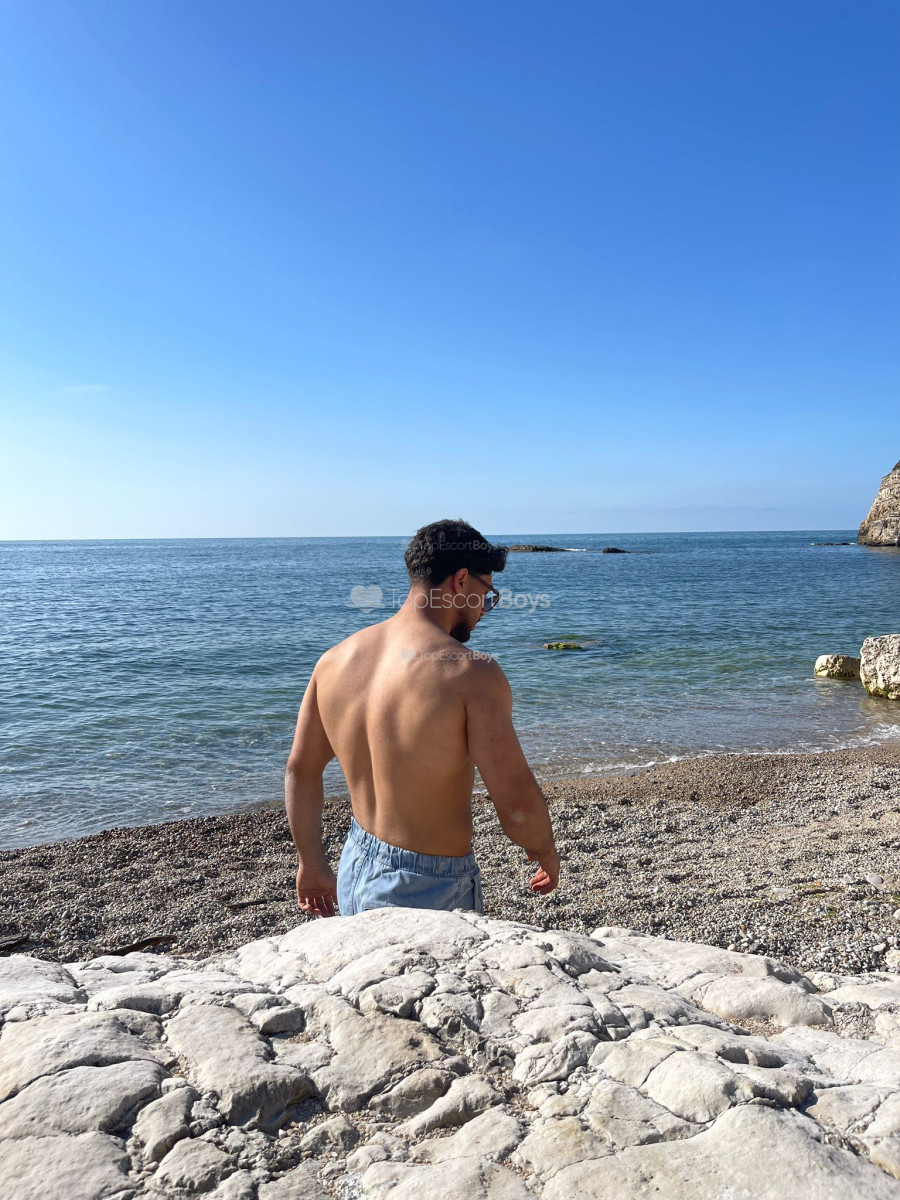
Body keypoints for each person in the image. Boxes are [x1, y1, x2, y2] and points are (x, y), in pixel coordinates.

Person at [283, 517, 560, 917]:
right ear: (461, 580)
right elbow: (515, 802)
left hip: (355, 862)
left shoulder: (334, 660)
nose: (485, 610)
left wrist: (310, 862)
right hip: (426, 886)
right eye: (488, 594)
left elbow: (301, 770)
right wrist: (544, 849)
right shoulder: (469, 672)